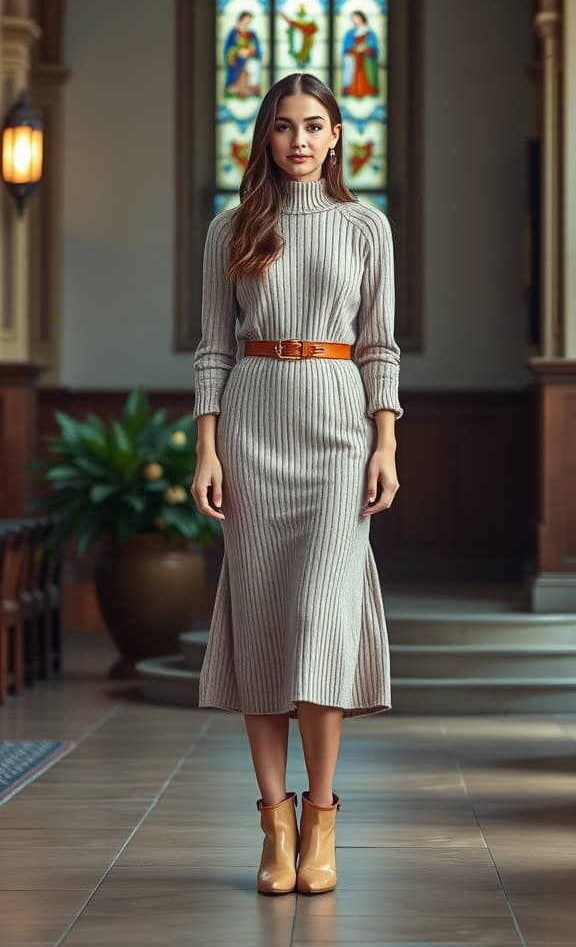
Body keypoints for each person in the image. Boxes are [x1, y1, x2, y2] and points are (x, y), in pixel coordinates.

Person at [191, 71, 403, 896]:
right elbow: (214, 347)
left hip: (340, 432)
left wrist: (386, 442)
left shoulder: (365, 228)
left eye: (315, 125)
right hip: (251, 429)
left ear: (340, 134)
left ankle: (322, 821)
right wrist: (206, 448)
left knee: (319, 616)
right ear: (266, 138)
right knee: (264, 622)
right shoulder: (231, 229)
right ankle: (274, 828)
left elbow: (379, 345)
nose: (301, 140)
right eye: (284, 127)